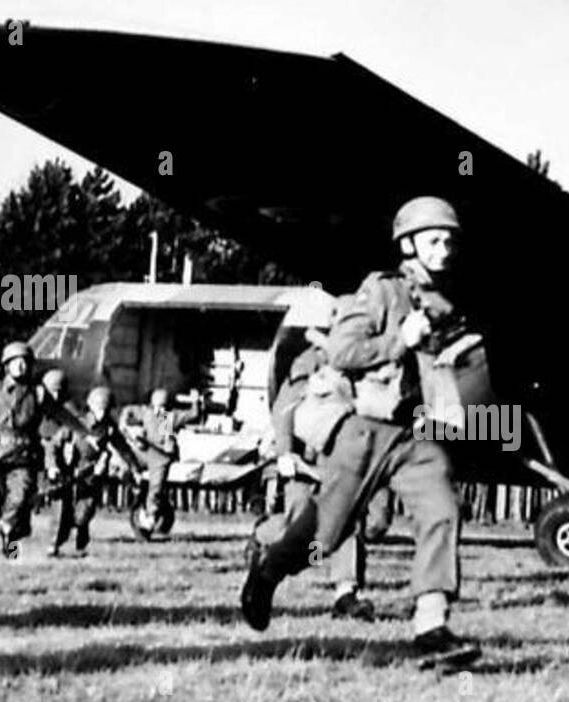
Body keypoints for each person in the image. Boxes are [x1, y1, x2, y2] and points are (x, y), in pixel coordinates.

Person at [241, 197, 480, 669]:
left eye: (450, 241)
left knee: (442, 510)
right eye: (434, 240)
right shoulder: (380, 291)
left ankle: (431, 626)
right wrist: (399, 341)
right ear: (408, 245)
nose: (445, 249)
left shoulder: (446, 303)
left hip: (415, 434)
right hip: (364, 430)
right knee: (323, 538)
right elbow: (342, 352)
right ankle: (268, 570)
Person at [267, 301, 372, 621]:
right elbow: (285, 407)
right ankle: (262, 544)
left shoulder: (354, 363)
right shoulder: (309, 362)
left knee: (347, 522)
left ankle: (346, 594)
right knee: (299, 526)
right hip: (305, 457)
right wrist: (285, 452)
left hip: (337, 457)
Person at [0, 341, 81, 572]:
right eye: (15, 362)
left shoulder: (38, 394)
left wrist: (82, 433)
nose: (21, 367)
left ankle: (10, 550)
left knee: (19, 505)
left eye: (25, 362)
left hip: (23, 458)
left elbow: (60, 417)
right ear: (6, 366)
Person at [45, 385, 142, 557]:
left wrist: (135, 468)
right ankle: (54, 545)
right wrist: (53, 466)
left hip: (91, 474)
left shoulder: (109, 428)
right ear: (91, 407)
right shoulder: (76, 423)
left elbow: (123, 448)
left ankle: (81, 539)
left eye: (106, 410)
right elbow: (54, 444)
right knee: (61, 512)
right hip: (69, 471)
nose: (103, 414)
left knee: (85, 511)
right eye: (99, 409)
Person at [118, 387, 203, 533]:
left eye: (162, 407)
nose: (159, 409)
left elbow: (193, 415)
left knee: (155, 489)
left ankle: (150, 516)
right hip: (147, 452)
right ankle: (136, 489)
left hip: (160, 457)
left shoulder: (165, 416)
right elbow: (128, 410)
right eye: (157, 406)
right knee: (124, 464)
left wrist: (195, 402)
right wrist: (124, 425)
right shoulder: (151, 413)